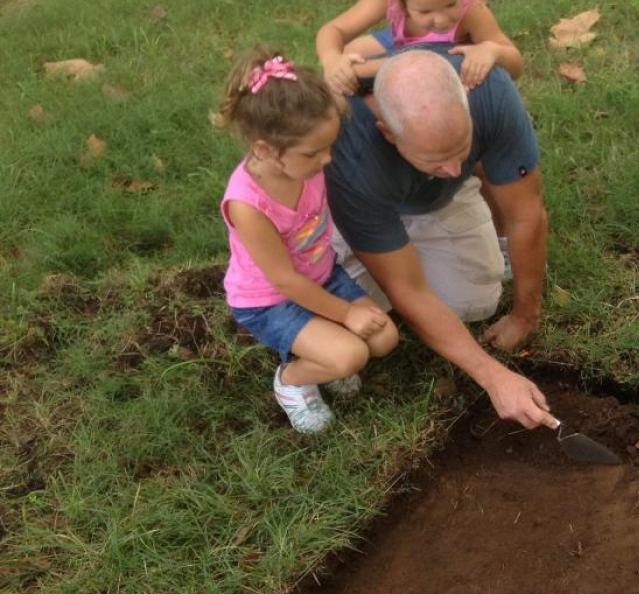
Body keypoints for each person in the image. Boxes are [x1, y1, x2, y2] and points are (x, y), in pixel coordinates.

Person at [325, 48, 552, 429]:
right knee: (353, 317)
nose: (452, 168)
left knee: (476, 301)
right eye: (436, 160)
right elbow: (406, 289)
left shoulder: (488, 89)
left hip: (433, 201)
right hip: (357, 206)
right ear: (388, 133)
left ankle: (419, 223)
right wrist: (494, 377)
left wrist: (525, 314)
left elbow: (525, 214)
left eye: (461, 151)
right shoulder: (350, 152)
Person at [217, 49, 399, 434]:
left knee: (384, 339)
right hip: (271, 301)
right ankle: (293, 379)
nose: (328, 159)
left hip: (322, 275)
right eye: (315, 152)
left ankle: (326, 351)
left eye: (329, 146)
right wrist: (346, 314)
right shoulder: (248, 205)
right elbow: (284, 281)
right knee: (351, 354)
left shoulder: (304, 163)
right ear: (265, 149)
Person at [316, 0, 524, 96]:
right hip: (410, 54)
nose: (441, 20)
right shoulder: (386, 2)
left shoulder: (472, 11)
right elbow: (333, 29)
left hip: (457, 82)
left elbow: (516, 65)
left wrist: (491, 50)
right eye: (425, 12)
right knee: (350, 54)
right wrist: (331, 59)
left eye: (451, 4)